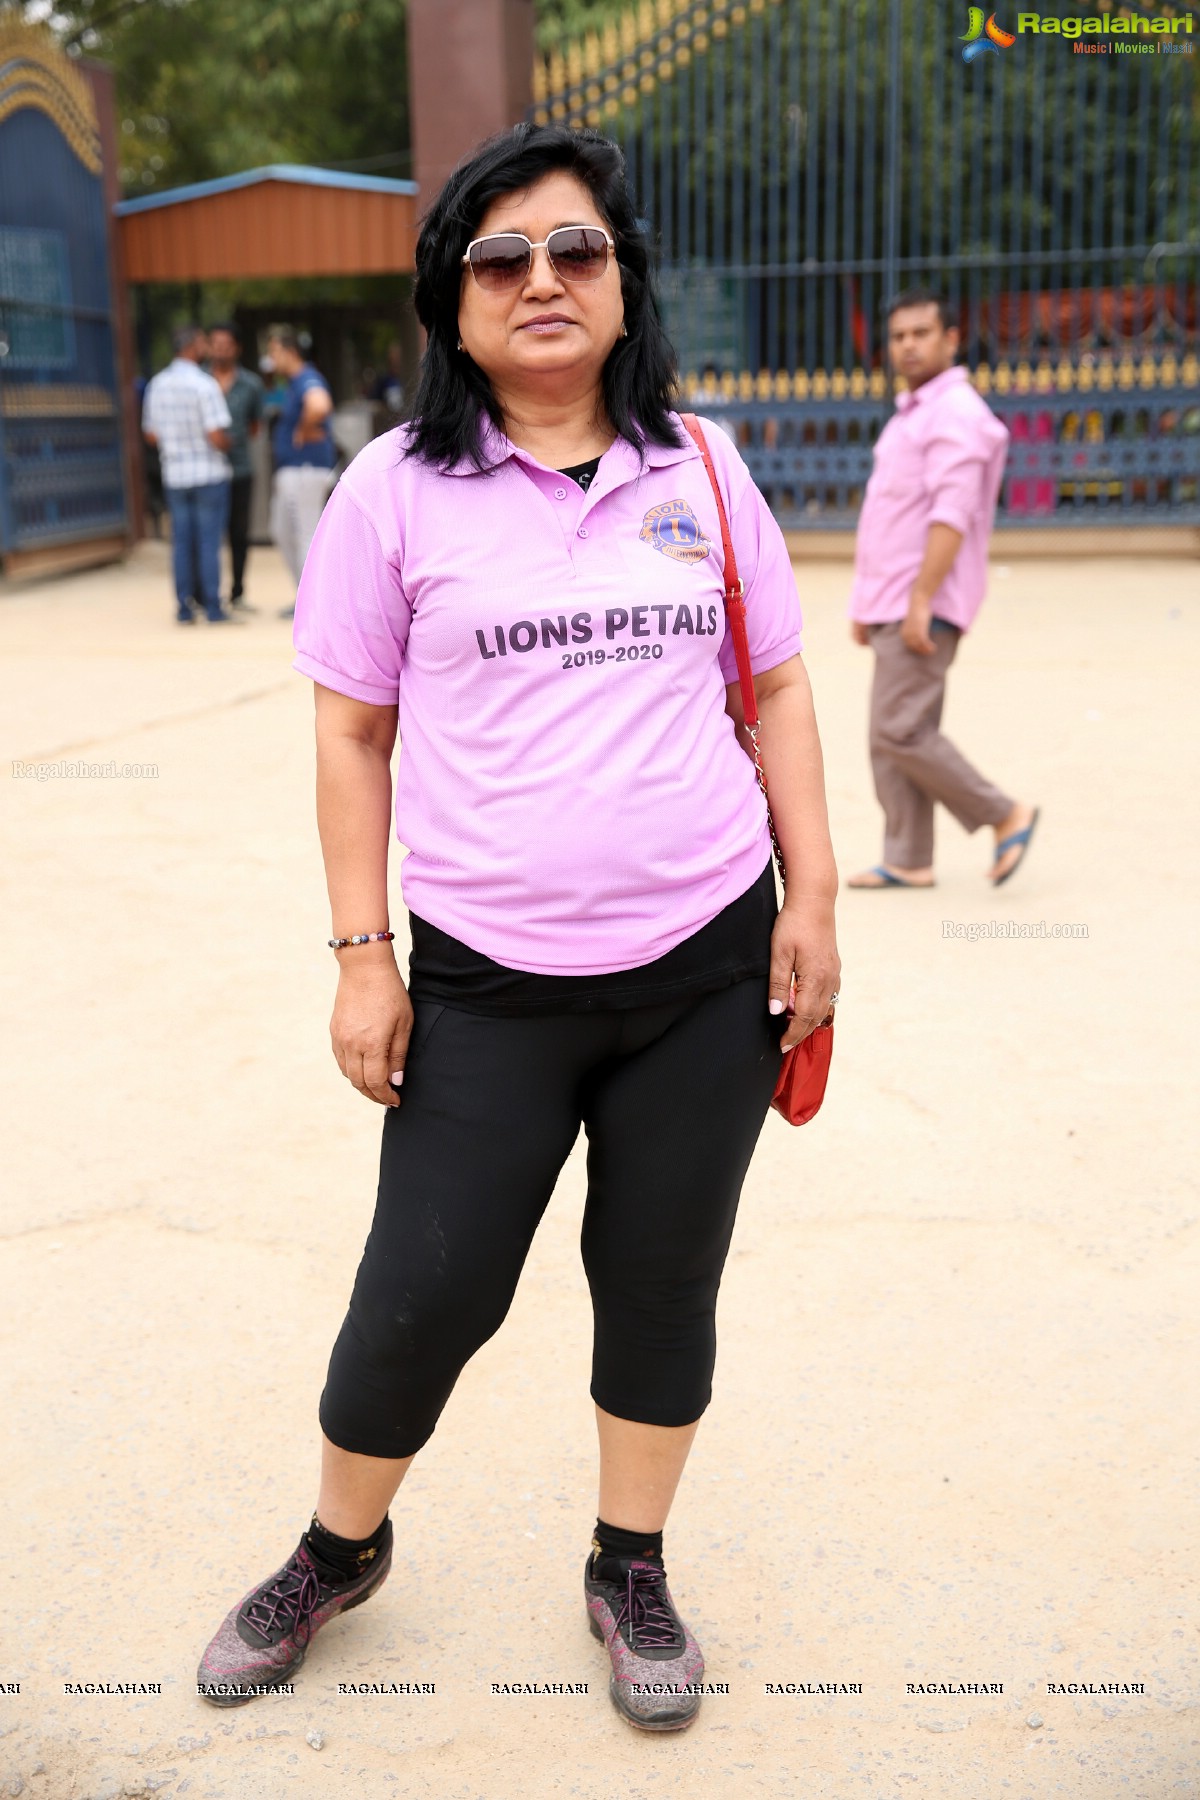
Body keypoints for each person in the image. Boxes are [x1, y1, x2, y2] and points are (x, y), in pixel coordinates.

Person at [196, 124, 840, 1734]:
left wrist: (815, 894)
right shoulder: (393, 491)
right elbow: (353, 734)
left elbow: (770, 685)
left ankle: (631, 1563)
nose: (541, 278)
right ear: (454, 300)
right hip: (486, 982)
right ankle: (339, 1550)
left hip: (706, 963)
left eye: (575, 251)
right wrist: (364, 960)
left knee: (662, 1270)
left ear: (622, 285)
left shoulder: (700, 466)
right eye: (501, 257)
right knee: (426, 1285)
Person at [846, 289, 1038, 888]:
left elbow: (951, 517)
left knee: (900, 730)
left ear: (951, 339)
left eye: (921, 333)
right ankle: (908, 856)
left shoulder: (956, 413)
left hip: (921, 598)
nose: (907, 345)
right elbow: (889, 517)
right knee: (892, 730)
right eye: (899, 335)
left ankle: (1003, 813)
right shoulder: (915, 412)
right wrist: (867, 603)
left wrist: (921, 600)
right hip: (894, 596)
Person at [141, 325, 233, 624]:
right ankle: (213, 607)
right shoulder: (204, 385)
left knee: (181, 542)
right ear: (193, 346)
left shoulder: (158, 384)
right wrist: (227, 445)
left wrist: (175, 438)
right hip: (207, 472)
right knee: (208, 542)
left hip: (175, 475)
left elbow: (151, 434)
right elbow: (216, 433)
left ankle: (183, 607)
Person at [265, 325, 336, 620]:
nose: (270, 359)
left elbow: (319, 406)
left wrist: (303, 431)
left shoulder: (307, 377)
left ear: (289, 351)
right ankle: (306, 599)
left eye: (274, 352)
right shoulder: (294, 382)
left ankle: (316, 606)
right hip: (295, 472)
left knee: (305, 535)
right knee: (281, 530)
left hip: (305, 471)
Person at [207, 322, 264, 612]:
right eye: (216, 344)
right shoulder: (200, 381)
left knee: (239, 533)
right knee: (209, 533)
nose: (221, 350)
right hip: (205, 470)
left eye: (226, 345)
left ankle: (237, 592)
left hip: (240, 469)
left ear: (236, 348)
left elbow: (256, 426)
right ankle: (207, 594)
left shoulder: (251, 384)